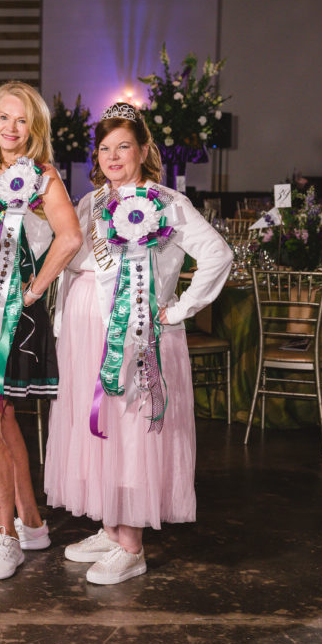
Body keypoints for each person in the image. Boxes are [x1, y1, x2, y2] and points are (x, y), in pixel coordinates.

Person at [44, 102, 232, 585]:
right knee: (98, 430)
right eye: (104, 148)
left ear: (143, 149)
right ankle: (110, 526)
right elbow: (72, 267)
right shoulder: (87, 203)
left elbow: (217, 254)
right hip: (87, 340)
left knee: (128, 432)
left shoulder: (165, 202)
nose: (112, 156)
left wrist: (179, 308)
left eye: (123, 146)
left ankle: (131, 546)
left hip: (135, 340)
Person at [0, 81, 83, 581]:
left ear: (34, 128)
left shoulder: (45, 177)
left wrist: (33, 292)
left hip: (15, 317)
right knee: (3, 420)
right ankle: (31, 524)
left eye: (20, 120)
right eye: (2, 118)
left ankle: (7, 539)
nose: (10, 128)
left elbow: (71, 237)